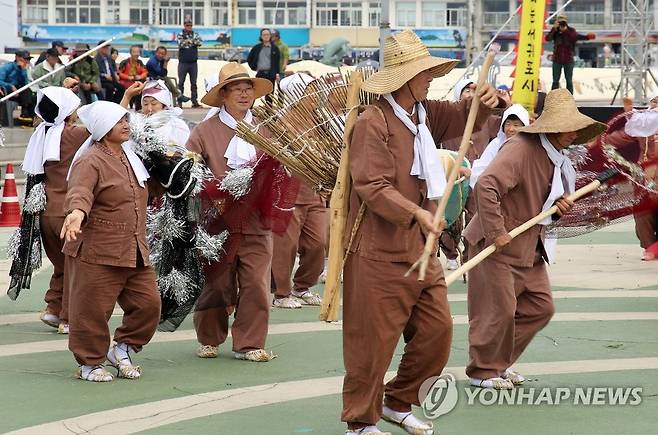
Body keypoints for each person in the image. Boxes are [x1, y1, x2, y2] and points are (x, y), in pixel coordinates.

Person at [341, 30, 502, 435]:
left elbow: (464, 117)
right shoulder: (372, 122)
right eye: (424, 72)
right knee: (372, 344)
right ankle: (360, 422)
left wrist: (478, 102)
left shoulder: (424, 113)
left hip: (420, 249)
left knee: (437, 331)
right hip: (377, 251)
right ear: (403, 77)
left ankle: (397, 401)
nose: (430, 76)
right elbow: (372, 186)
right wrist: (417, 213)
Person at [463, 89, 605, 390]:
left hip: (529, 245)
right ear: (551, 126)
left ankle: (498, 364)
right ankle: (482, 371)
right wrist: (496, 232)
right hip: (496, 244)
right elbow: (486, 185)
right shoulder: (521, 148)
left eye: (574, 126)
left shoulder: (558, 158)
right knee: (497, 311)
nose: (573, 132)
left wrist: (559, 209)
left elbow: (546, 206)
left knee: (540, 307)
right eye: (567, 126)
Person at [61, 100, 160, 382]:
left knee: (149, 304)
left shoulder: (131, 155)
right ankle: (89, 364)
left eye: (126, 120)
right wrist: (77, 212)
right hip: (98, 249)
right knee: (91, 309)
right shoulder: (90, 159)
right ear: (104, 128)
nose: (126, 125)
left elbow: (147, 188)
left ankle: (123, 348)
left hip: (135, 248)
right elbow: (80, 191)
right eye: (119, 122)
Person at [186, 62, 277, 362]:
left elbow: (281, 169)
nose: (243, 94)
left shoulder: (267, 128)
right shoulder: (204, 130)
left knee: (256, 284)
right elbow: (188, 172)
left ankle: (249, 343)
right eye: (236, 89)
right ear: (223, 95)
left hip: (256, 221)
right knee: (217, 284)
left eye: (248, 88)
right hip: (217, 222)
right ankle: (209, 337)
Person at [21, 85, 88, 334]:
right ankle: (67, 318)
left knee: (61, 263)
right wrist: (125, 98)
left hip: (45, 210)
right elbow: (106, 126)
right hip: (68, 211)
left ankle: (53, 307)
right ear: (68, 112)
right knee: (75, 265)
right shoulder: (71, 134)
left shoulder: (41, 132)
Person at [271, 73, 327, 309]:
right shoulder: (278, 122)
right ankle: (282, 293)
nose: (316, 96)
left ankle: (302, 286)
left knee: (319, 241)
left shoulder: (319, 121)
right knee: (286, 245)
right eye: (310, 91)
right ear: (296, 94)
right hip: (288, 191)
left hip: (314, 190)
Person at [439, 78, 502, 270]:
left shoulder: (487, 121)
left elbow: (507, 125)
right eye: (465, 91)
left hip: (477, 177)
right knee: (452, 218)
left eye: (471, 90)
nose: (469, 93)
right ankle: (451, 254)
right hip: (454, 176)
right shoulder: (449, 120)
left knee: (475, 217)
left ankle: (469, 257)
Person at [470, 103, 531, 187]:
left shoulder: (530, 147)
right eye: (508, 124)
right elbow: (481, 169)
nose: (511, 129)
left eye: (516, 125)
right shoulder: (496, 145)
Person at [121, 80, 190, 147]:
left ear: (164, 104)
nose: (149, 108)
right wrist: (127, 95)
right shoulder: (137, 123)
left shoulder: (177, 126)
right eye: (145, 104)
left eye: (153, 103)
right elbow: (117, 121)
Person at [545, 13, 594, 94]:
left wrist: (565, 30)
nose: (561, 24)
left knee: (569, 80)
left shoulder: (571, 30)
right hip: (557, 59)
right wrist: (554, 29)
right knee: (555, 81)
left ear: (566, 22)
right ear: (557, 21)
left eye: (563, 22)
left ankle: (570, 98)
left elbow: (574, 37)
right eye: (560, 22)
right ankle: (553, 99)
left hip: (568, 59)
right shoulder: (555, 31)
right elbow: (547, 39)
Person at [0, 50, 36, 122]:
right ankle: (25, 114)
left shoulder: (24, 69)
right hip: (6, 91)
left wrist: (22, 70)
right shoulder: (8, 67)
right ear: (17, 58)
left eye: (28, 59)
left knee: (32, 95)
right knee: (26, 92)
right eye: (25, 59)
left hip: (19, 92)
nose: (26, 61)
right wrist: (10, 86)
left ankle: (30, 116)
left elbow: (25, 83)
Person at [247, 29, 281, 95]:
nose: (266, 36)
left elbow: (277, 62)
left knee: (270, 94)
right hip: (260, 73)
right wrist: (254, 68)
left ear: (270, 36)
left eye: (267, 34)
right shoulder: (256, 47)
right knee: (256, 92)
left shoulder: (275, 48)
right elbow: (249, 59)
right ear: (261, 36)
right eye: (264, 35)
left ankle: (268, 105)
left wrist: (277, 73)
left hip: (271, 74)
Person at [177, 19, 202, 106]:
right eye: (187, 25)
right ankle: (179, 101)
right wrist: (192, 42)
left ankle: (194, 101)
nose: (189, 27)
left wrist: (188, 41)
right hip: (183, 62)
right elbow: (180, 43)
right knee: (181, 83)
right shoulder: (180, 34)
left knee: (194, 83)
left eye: (190, 25)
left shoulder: (195, 34)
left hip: (193, 63)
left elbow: (199, 42)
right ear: (184, 25)